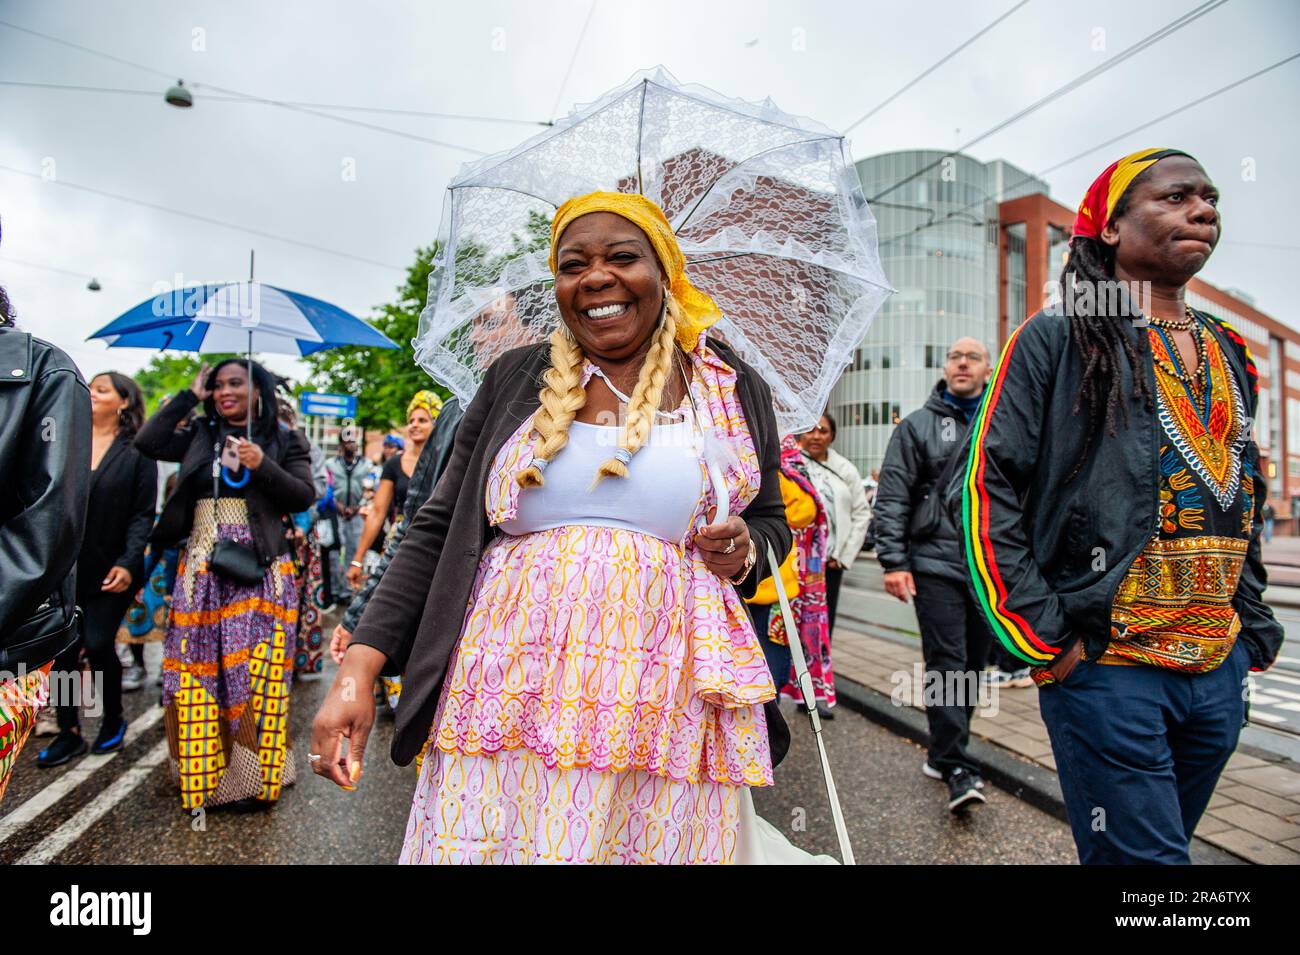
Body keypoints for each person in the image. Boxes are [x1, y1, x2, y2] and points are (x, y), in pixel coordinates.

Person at [312, 191, 792, 864]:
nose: (596, 276)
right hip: (507, 687)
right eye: (573, 264)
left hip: (665, 696)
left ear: (665, 272)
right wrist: (357, 670)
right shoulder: (515, 376)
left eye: (622, 257)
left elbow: (771, 521)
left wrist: (745, 549)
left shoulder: (727, 385)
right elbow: (437, 526)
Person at [964, 148, 1284, 863]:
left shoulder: (1232, 351)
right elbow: (988, 488)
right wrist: (1048, 643)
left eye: (1209, 198)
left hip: (1216, 671)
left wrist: (1251, 628)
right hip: (1109, 667)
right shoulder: (1057, 337)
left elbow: (1245, 487)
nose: (1202, 209)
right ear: (1110, 227)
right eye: (1175, 198)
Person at [135, 358, 315, 811]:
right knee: (195, 678)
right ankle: (205, 782)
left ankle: (257, 782)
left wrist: (262, 465)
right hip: (200, 573)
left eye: (236, 383)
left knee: (257, 679)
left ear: (259, 390)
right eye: (217, 385)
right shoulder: (200, 433)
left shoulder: (285, 438)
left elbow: (303, 495)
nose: (224, 391)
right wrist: (187, 396)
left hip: (261, 572)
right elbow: (147, 440)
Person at [875, 338, 994, 811]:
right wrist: (895, 562)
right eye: (954, 357)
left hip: (990, 569)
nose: (962, 363)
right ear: (945, 367)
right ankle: (957, 764)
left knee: (974, 666)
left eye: (973, 357)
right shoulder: (917, 426)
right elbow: (893, 496)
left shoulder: (1002, 422)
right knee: (948, 661)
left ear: (987, 369)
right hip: (934, 563)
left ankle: (943, 750)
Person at [0, 273, 91, 804]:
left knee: (98, 648)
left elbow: (48, 528)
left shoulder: (42, 373)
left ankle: (83, 728)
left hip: (15, 628)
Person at [38, 373, 156, 766]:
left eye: (102, 389)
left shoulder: (138, 451)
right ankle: (69, 731)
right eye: (90, 387)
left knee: (100, 643)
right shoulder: (68, 442)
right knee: (65, 651)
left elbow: (143, 516)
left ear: (123, 402)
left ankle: (113, 720)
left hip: (113, 567)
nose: (91, 393)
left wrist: (128, 562)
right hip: (64, 567)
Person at [748, 435, 834, 715]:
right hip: (735, 584)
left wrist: (777, 474)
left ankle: (764, 735)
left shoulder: (786, 464)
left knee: (773, 670)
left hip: (773, 588)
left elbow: (804, 512)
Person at [797, 413, 870, 635]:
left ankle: (819, 668)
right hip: (796, 563)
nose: (817, 436)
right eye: (811, 430)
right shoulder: (791, 464)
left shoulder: (846, 469)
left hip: (829, 563)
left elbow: (862, 513)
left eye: (824, 431)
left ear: (833, 436)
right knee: (793, 621)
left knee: (823, 624)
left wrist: (843, 555)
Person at [325, 425, 368, 600]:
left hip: (357, 515)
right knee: (336, 552)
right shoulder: (331, 465)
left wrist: (358, 506)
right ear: (342, 444)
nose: (352, 444)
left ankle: (348, 589)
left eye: (354, 440)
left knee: (354, 550)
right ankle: (336, 589)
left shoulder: (365, 465)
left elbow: (371, 489)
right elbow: (326, 489)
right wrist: (337, 505)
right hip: (337, 514)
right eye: (348, 441)